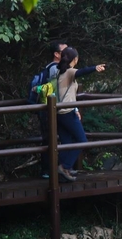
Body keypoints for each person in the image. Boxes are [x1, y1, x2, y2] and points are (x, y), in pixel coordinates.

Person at [54, 47, 106, 182]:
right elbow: (82, 72)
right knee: (82, 140)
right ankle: (64, 167)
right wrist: (95, 68)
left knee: (66, 142)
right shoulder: (70, 72)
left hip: (58, 113)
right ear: (75, 59)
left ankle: (64, 171)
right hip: (67, 113)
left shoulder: (59, 72)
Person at [28, 40, 66, 178]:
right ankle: (48, 171)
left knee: (51, 138)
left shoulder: (50, 67)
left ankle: (52, 169)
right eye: (64, 51)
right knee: (50, 139)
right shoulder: (55, 68)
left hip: (48, 108)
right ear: (56, 54)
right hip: (48, 109)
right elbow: (55, 89)